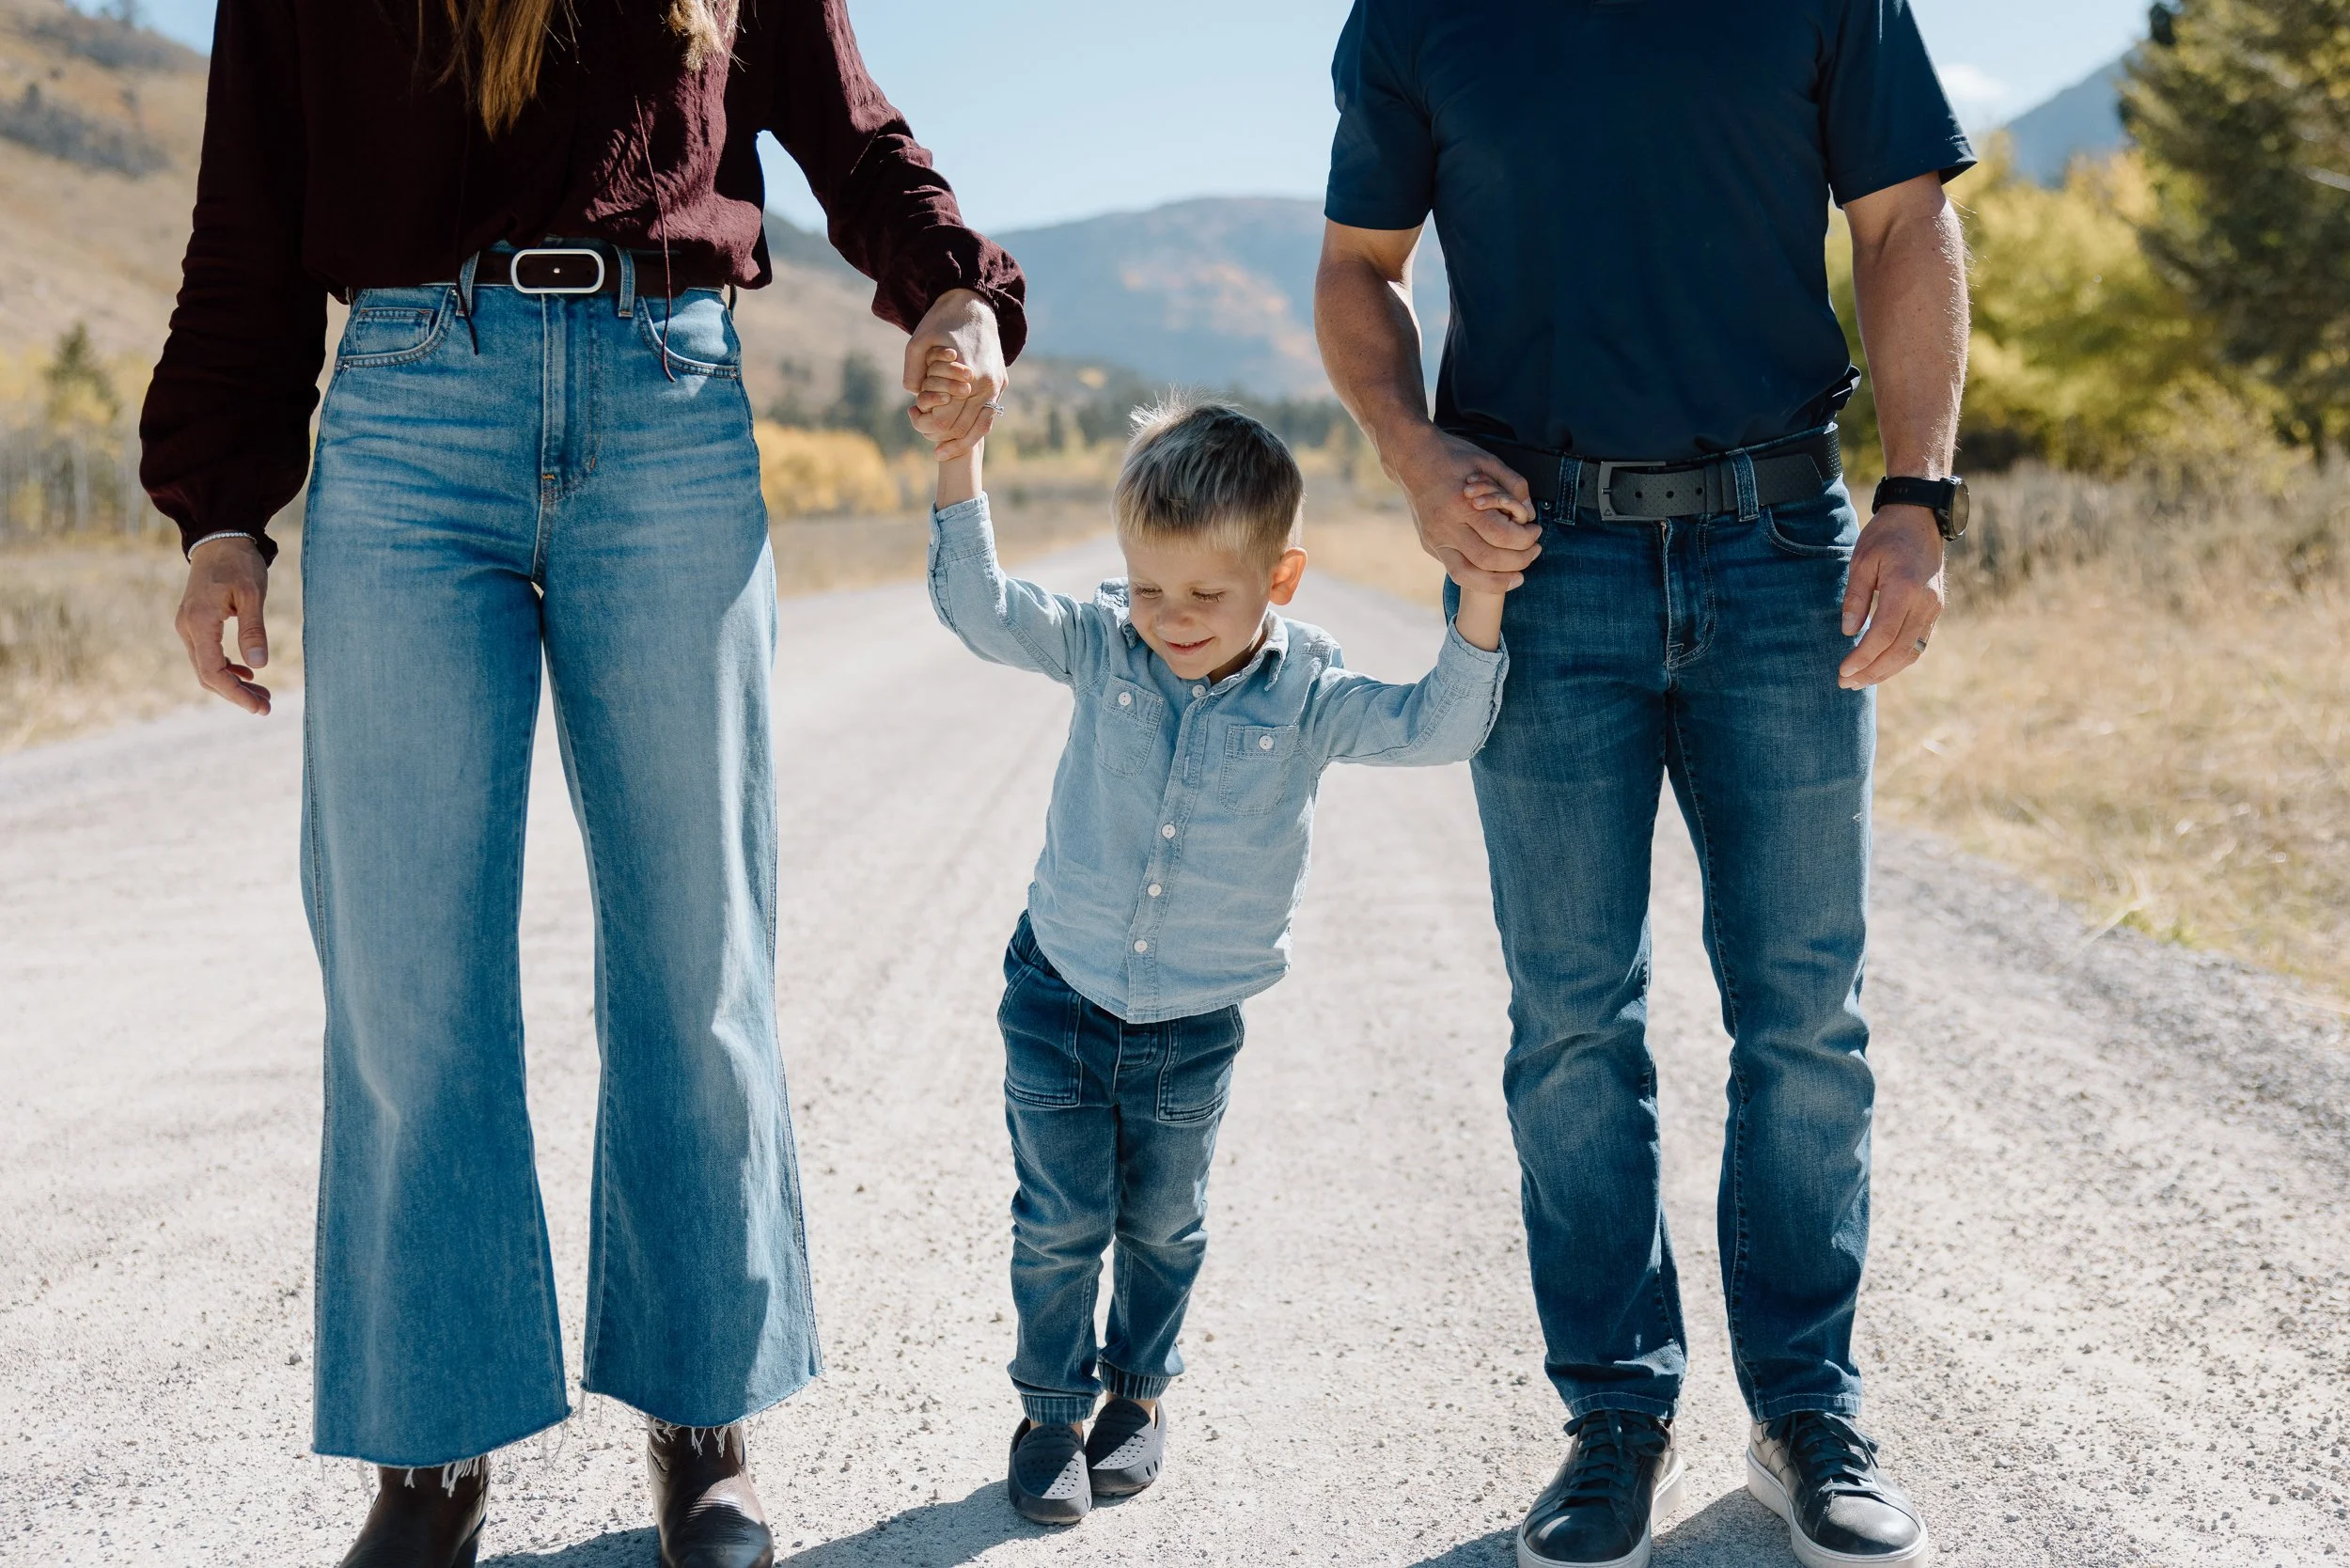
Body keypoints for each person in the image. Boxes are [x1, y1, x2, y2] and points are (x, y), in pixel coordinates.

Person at [142, 3, 1021, 1564]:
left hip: (668, 406)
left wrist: (954, 288)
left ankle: (704, 1419)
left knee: (700, 956)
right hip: (410, 415)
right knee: (408, 979)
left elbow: (852, 129)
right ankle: (432, 1449)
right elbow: (249, 211)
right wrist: (224, 510)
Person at [1314, 3, 1975, 1565]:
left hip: (1784, 550)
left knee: (1805, 1004)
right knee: (1569, 1018)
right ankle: (1614, 1414)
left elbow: (1906, 218)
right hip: (1538, 567)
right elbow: (1357, 269)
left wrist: (1920, 494)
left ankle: (1807, 1408)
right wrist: (1413, 456)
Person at [916, 388, 1511, 1526]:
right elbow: (981, 608)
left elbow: (1441, 724)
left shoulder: (1309, 699)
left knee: (1162, 1225)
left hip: (1193, 1022)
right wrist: (962, 460)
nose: (1168, 616)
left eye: (1203, 593)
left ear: (1279, 581)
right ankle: (1049, 1411)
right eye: (1147, 587)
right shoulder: (1102, 647)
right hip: (1061, 991)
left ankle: (1133, 1399)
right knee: (1058, 1219)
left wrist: (1478, 589)